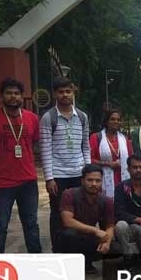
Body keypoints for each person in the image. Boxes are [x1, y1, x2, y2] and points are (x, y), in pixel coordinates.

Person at [0, 77, 42, 253]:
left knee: (31, 224)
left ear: (22, 97)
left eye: (16, 93)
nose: (13, 96)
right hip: (1, 182)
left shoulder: (32, 118)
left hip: (28, 181)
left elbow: (35, 144)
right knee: (0, 225)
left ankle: (37, 261)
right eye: (8, 93)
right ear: (1, 97)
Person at [40, 76, 91, 252]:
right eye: (61, 92)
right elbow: (45, 149)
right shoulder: (49, 117)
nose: (65, 95)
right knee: (58, 215)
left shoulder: (82, 117)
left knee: (81, 213)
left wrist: (88, 172)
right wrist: (49, 178)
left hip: (78, 174)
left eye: (68, 91)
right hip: (58, 176)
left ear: (73, 92)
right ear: (55, 94)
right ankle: (59, 252)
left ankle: (81, 253)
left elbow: (85, 146)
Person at [60, 164, 119, 275]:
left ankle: (86, 262)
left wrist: (107, 242)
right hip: (69, 237)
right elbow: (67, 221)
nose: (94, 184)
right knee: (70, 234)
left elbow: (110, 225)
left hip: (88, 237)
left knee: (116, 248)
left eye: (98, 181)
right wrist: (95, 230)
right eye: (90, 180)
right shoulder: (69, 194)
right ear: (82, 181)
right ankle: (70, 264)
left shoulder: (106, 200)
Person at [89, 108, 132, 199]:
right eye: (112, 119)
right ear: (106, 121)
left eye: (118, 120)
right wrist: (108, 164)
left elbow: (131, 160)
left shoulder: (125, 139)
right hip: (103, 179)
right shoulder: (96, 137)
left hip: (122, 178)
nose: (116, 121)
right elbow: (89, 160)